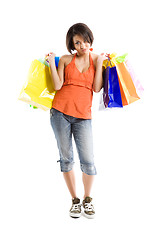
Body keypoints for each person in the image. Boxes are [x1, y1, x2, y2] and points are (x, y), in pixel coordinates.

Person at [46, 23, 106, 219]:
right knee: (66, 159)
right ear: (72, 45)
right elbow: (57, 85)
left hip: (83, 117)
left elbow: (96, 88)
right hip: (60, 113)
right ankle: (75, 201)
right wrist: (51, 64)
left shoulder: (97, 59)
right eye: (77, 42)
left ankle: (88, 199)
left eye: (85, 41)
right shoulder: (65, 59)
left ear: (90, 40)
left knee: (88, 162)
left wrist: (100, 64)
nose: (82, 45)